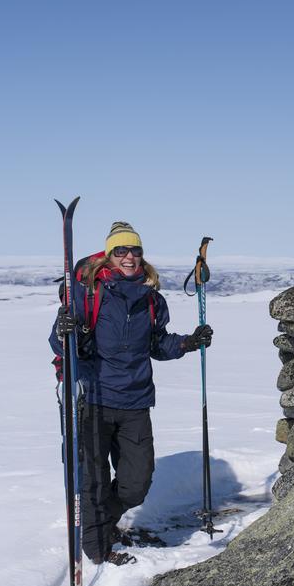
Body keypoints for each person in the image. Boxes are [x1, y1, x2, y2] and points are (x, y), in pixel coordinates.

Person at [50, 221, 213, 565]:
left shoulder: (151, 298)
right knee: (91, 481)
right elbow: (61, 343)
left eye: (134, 250)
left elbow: (156, 343)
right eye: (121, 251)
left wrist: (186, 343)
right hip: (92, 398)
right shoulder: (88, 292)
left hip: (135, 401)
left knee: (135, 485)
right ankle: (96, 549)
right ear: (109, 256)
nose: (129, 257)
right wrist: (64, 331)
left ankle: (101, 524)